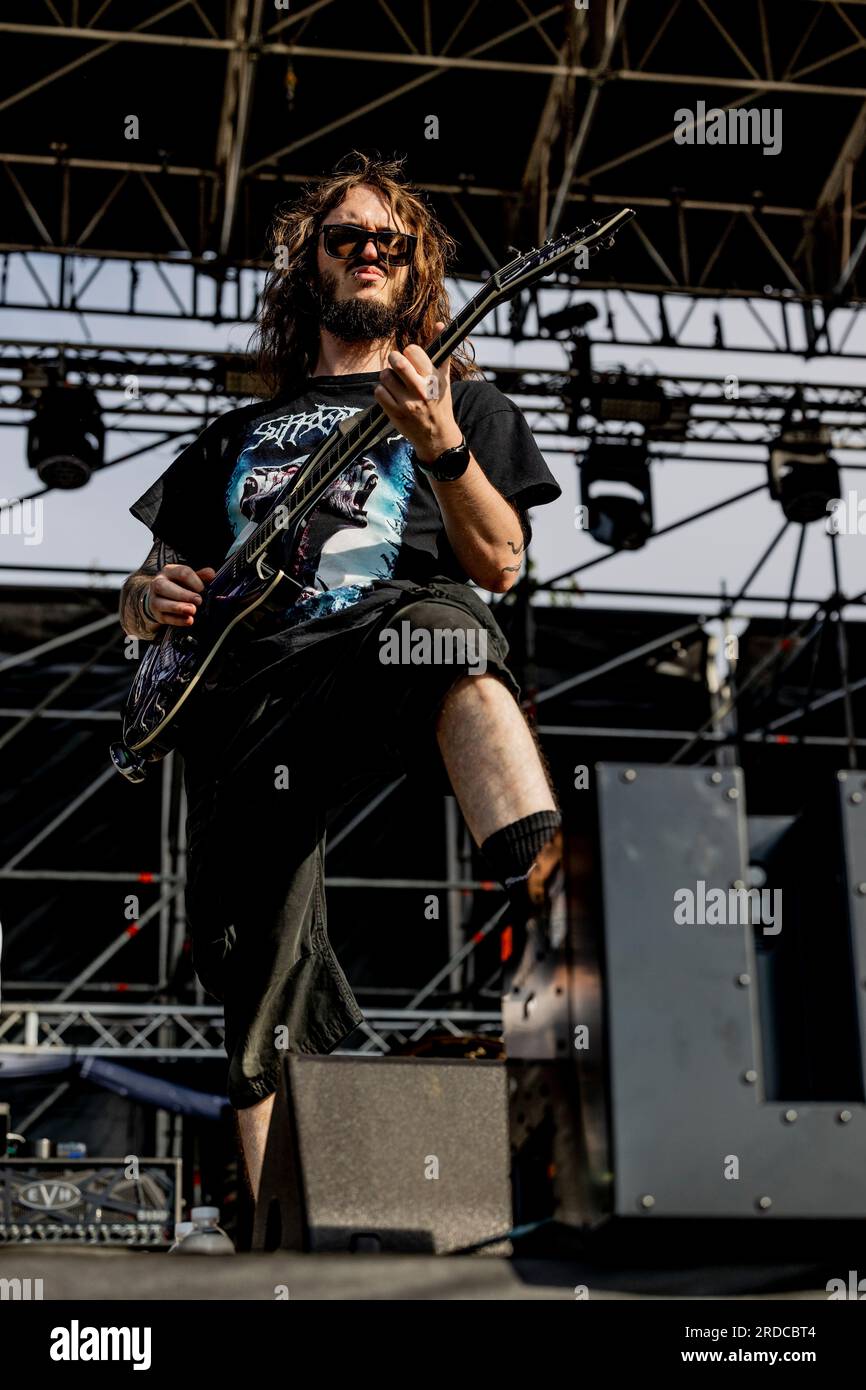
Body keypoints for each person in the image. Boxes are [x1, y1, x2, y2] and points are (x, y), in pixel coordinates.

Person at [119, 151, 563, 1201]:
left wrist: (444, 448)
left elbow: (500, 562)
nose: (368, 250)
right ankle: (279, 1261)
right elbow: (146, 587)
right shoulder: (231, 436)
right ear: (307, 264)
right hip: (250, 698)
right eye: (344, 236)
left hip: (380, 642)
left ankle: (552, 906)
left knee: (451, 632)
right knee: (253, 974)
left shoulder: (463, 396)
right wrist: (142, 603)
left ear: (415, 274)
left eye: (390, 242)